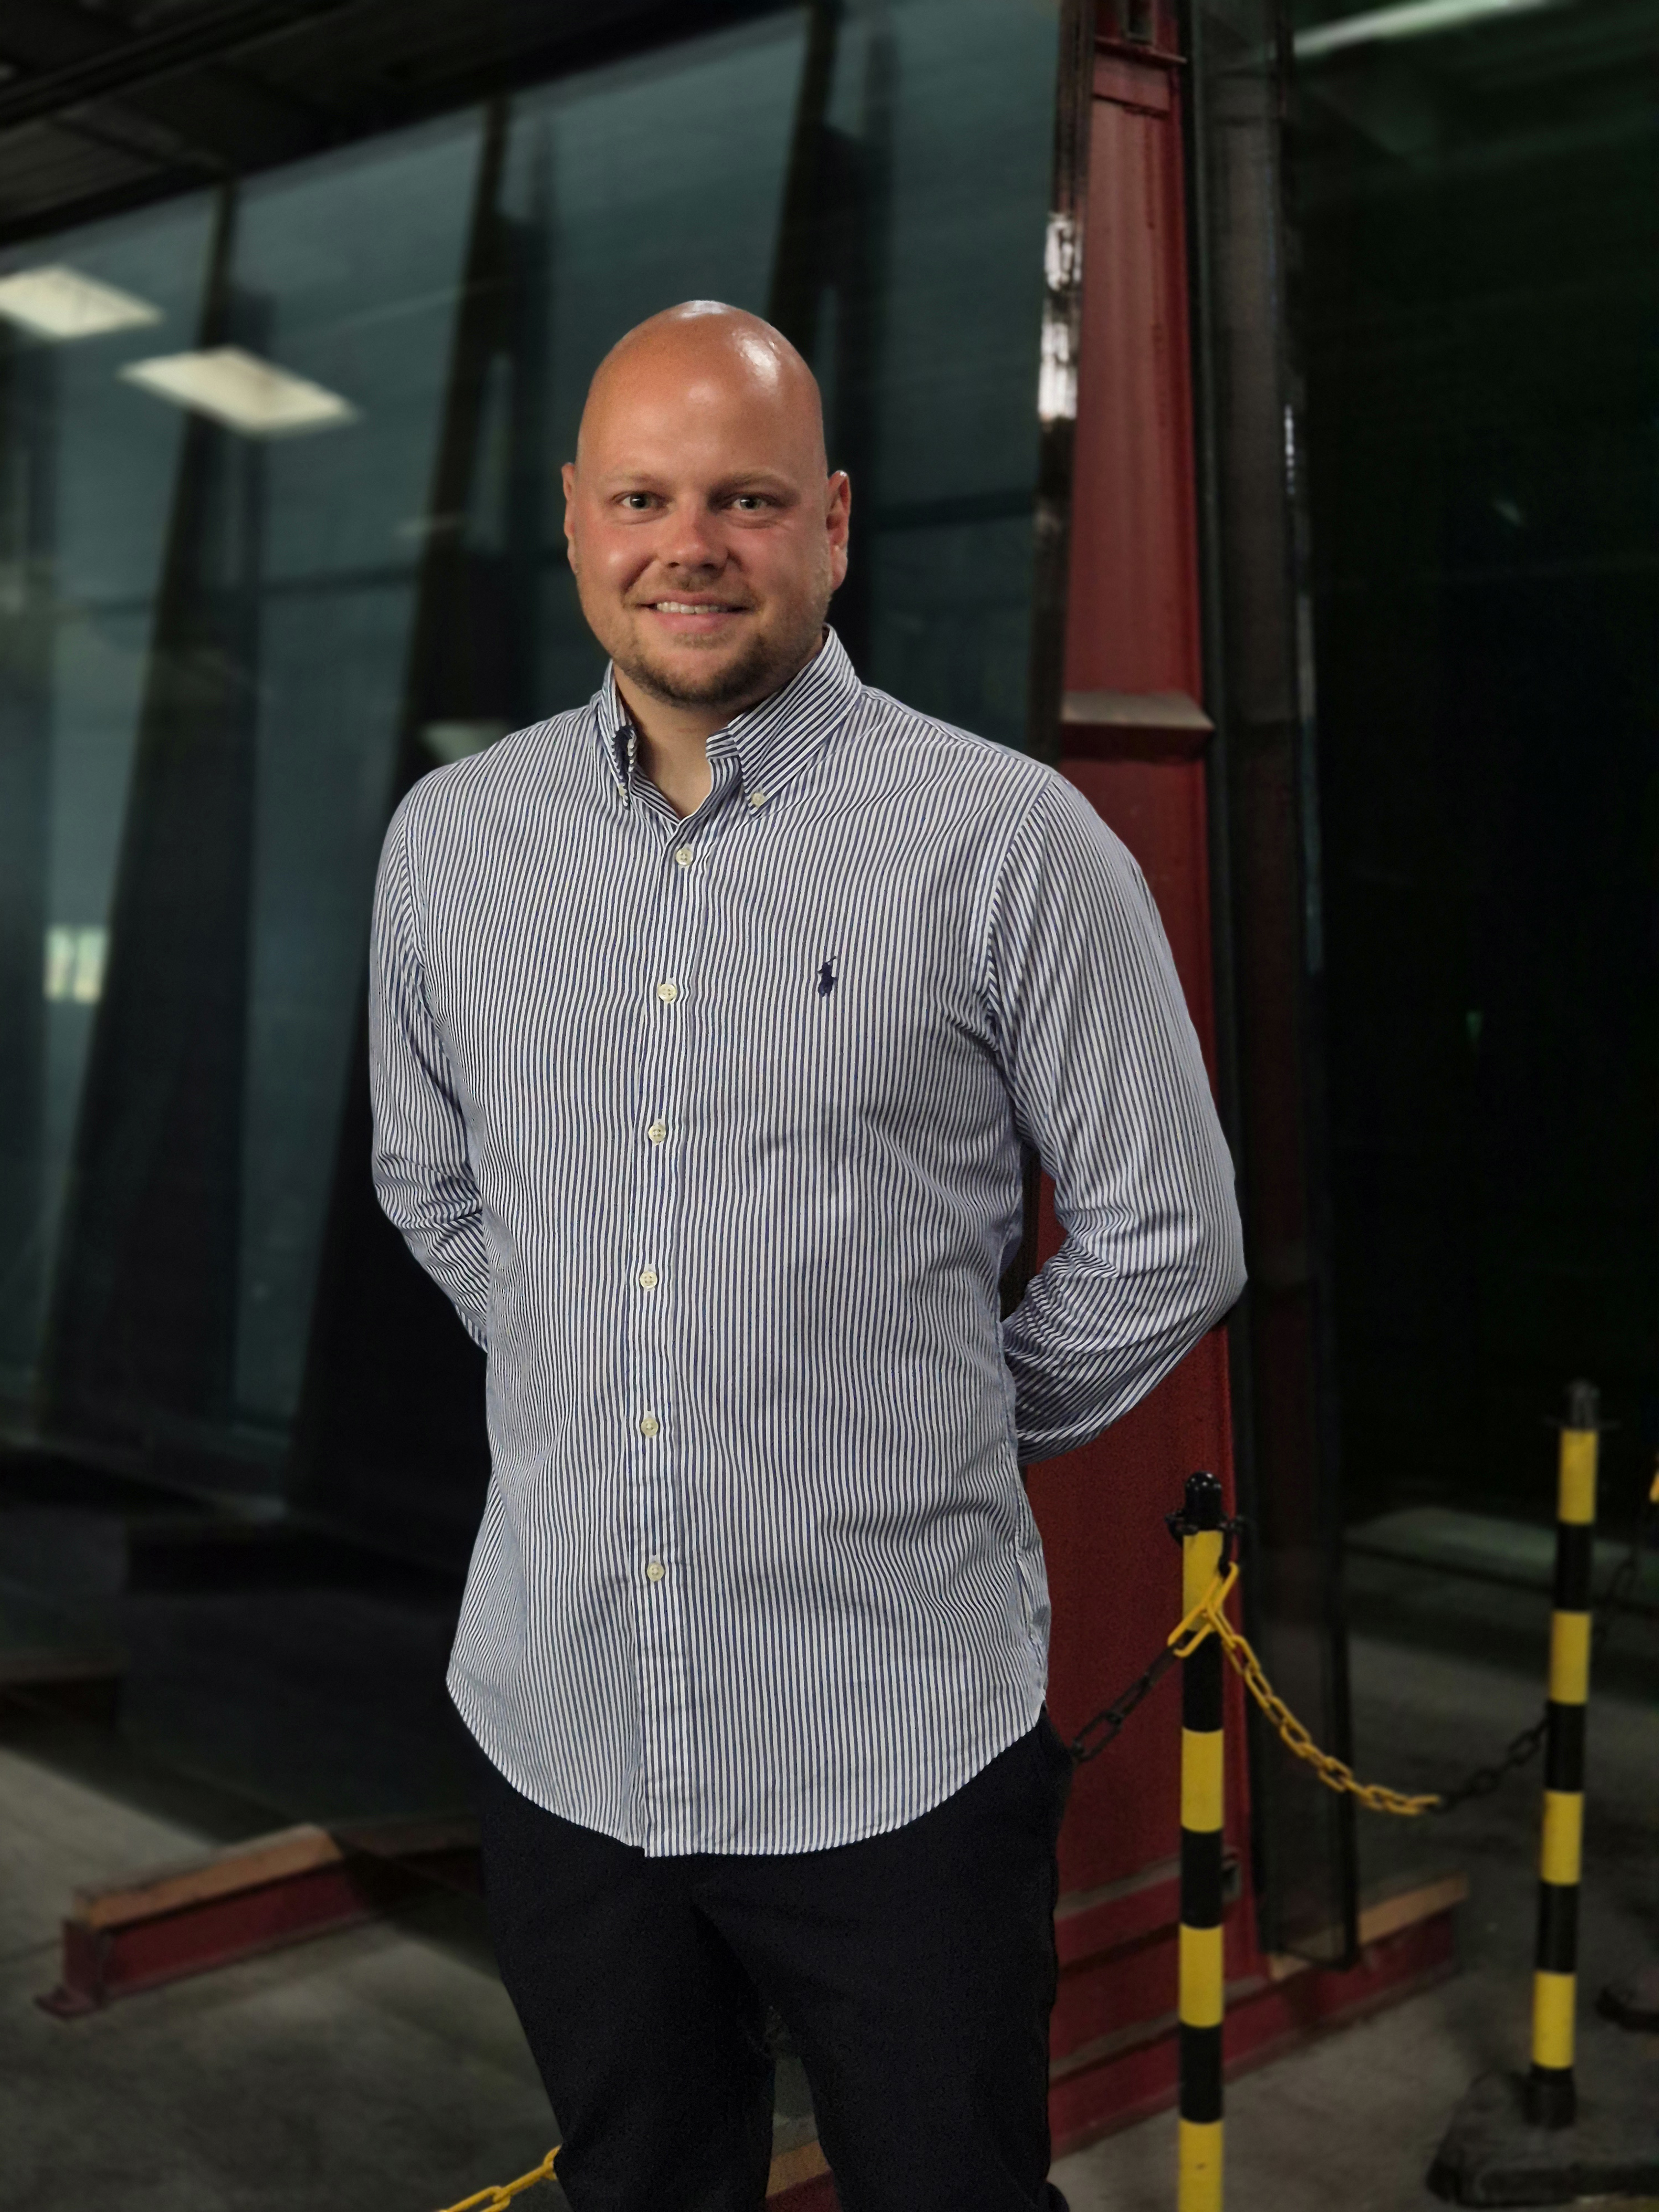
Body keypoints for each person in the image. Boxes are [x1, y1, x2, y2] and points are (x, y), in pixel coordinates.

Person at [368, 300, 1245, 2212]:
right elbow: (429, 1179)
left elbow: (1171, 1235)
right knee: (638, 2185)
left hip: (890, 1754)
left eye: (746, 498)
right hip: (565, 1722)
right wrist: (596, 1376)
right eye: (646, 497)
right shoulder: (453, 845)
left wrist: (911, 1410)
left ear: (831, 522)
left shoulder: (1006, 843)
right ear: (579, 520)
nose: (691, 543)